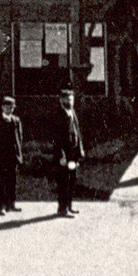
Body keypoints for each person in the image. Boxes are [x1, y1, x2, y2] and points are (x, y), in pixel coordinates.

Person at [51, 89, 84, 217]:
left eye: (71, 99)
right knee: (63, 182)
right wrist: (61, 156)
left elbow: (77, 132)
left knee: (72, 180)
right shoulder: (58, 115)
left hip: (73, 154)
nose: (70, 102)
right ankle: (62, 209)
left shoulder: (72, 112)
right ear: (61, 100)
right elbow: (56, 138)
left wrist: (80, 150)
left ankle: (69, 206)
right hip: (64, 155)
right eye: (67, 99)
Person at [0, 95, 24, 215]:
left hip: (13, 156)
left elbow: (19, 138)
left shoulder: (16, 120)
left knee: (12, 181)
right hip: (1, 157)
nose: (9, 109)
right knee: (1, 182)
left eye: (11, 107)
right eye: (6, 107)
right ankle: (1, 206)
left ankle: (11, 204)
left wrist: (19, 154)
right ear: (2, 107)